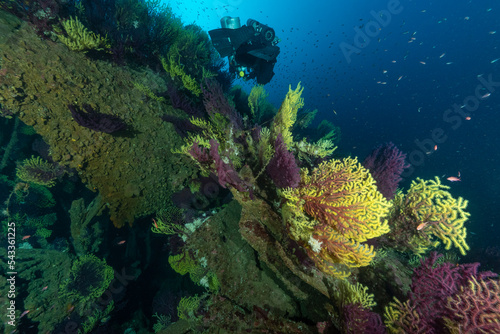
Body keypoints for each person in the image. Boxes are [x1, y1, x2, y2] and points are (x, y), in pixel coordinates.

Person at [209, 17, 280, 85]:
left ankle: (256, 33)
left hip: (253, 48)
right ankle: (267, 46)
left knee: (239, 57)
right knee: (261, 80)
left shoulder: (240, 58)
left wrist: (234, 71)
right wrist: (249, 76)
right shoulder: (245, 61)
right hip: (257, 52)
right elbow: (255, 68)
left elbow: (233, 58)